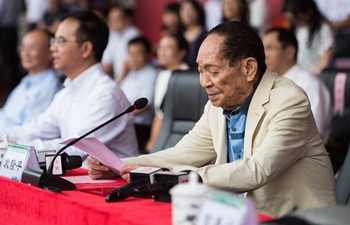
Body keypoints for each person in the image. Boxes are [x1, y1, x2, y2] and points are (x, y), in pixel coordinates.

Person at [88, 21, 336, 217]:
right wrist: (119, 165)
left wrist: (178, 177)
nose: (204, 82)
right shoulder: (217, 106)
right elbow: (181, 154)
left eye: (213, 71)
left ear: (248, 69)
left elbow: (257, 170)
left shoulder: (289, 100)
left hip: (295, 218)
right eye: (200, 70)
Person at [0, 11, 139, 162]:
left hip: (116, 185)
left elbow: (76, 149)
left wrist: (11, 146)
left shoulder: (105, 95)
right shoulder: (66, 93)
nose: (53, 49)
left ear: (85, 49)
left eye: (60, 41)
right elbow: (32, 130)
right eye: (54, 41)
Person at [262, 27, 332, 144]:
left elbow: (315, 133)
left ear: (289, 52)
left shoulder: (308, 84)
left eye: (270, 48)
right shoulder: (267, 83)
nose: (264, 55)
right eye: (262, 49)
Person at [0, 29, 62, 128]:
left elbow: (29, 131)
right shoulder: (28, 81)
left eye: (32, 47)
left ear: (51, 52)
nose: (25, 53)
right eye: (23, 48)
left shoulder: (49, 86)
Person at [145, 33, 189, 152]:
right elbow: (159, 113)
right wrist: (153, 141)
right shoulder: (163, 75)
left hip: (181, 140)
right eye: (160, 47)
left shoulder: (189, 78)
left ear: (181, 52)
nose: (162, 52)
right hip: (163, 137)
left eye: (168, 48)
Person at [118, 37, 158, 153]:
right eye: (130, 54)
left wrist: (122, 118)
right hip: (126, 122)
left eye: (137, 53)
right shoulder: (129, 75)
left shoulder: (151, 75)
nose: (133, 58)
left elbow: (147, 104)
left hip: (139, 125)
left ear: (147, 54)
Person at [283, 0, 334, 76]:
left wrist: (317, 75)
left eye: (296, 18)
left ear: (308, 12)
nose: (293, 22)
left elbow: (327, 54)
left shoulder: (322, 29)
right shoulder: (293, 30)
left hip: (315, 76)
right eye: (291, 20)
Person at [102, 4, 141, 79]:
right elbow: (107, 62)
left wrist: (119, 81)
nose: (113, 22)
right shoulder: (112, 35)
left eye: (117, 19)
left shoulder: (133, 34)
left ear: (126, 19)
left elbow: (130, 61)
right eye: (111, 19)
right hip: (118, 78)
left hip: (133, 77)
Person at [179, 0, 207, 68]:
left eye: (191, 9)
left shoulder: (207, 35)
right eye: (184, 10)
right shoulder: (178, 36)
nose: (188, 13)